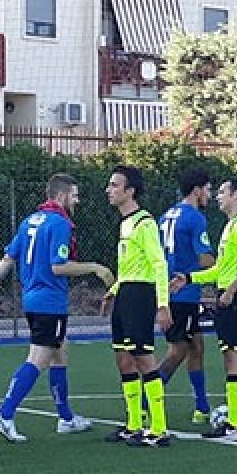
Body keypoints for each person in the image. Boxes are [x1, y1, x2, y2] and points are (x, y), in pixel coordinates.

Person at [0, 174, 114, 443]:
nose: (77, 200)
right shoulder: (60, 223)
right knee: (39, 357)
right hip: (49, 301)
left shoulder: (30, 220)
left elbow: (8, 257)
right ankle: (5, 414)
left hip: (33, 299)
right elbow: (58, 266)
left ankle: (66, 418)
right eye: (74, 195)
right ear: (62, 196)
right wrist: (95, 267)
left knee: (60, 351)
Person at [176, 176, 237, 440]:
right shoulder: (231, 227)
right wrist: (190, 278)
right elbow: (221, 270)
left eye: (223, 192)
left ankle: (235, 424)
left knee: (234, 357)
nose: (217, 196)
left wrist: (231, 290)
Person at [101, 166, 174, 447]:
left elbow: (158, 265)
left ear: (130, 191)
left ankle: (158, 428)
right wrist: (113, 291)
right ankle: (134, 423)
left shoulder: (145, 223)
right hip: (126, 293)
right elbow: (129, 267)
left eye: (115, 185)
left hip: (141, 294)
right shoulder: (125, 223)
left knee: (143, 358)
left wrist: (163, 305)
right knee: (122, 358)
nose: (109, 190)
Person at [156, 168, 216, 424]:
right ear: (197, 190)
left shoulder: (165, 216)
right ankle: (147, 400)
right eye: (208, 189)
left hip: (172, 290)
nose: (210, 195)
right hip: (183, 292)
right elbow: (204, 259)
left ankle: (201, 406)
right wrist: (227, 266)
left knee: (197, 345)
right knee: (179, 348)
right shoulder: (195, 218)